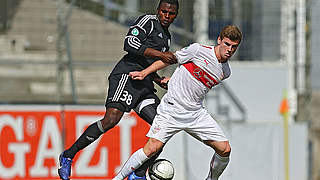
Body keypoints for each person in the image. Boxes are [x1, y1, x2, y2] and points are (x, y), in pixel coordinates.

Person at [58, 0, 179, 180]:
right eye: (163, 12)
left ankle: (138, 174)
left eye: (171, 13)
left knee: (163, 128)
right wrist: (161, 55)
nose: (166, 16)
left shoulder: (167, 36)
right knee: (111, 120)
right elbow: (129, 44)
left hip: (144, 84)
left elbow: (149, 65)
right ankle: (68, 155)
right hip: (127, 76)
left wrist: (157, 78)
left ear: (176, 14)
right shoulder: (148, 22)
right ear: (158, 10)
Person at [112, 25, 242, 180]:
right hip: (171, 110)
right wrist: (144, 73)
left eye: (234, 47)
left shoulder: (225, 72)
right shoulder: (198, 50)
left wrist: (171, 82)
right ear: (219, 40)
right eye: (227, 44)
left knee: (225, 149)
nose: (230, 50)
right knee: (152, 148)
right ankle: (117, 178)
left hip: (195, 114)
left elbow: (196, 83)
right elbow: (171, 59)